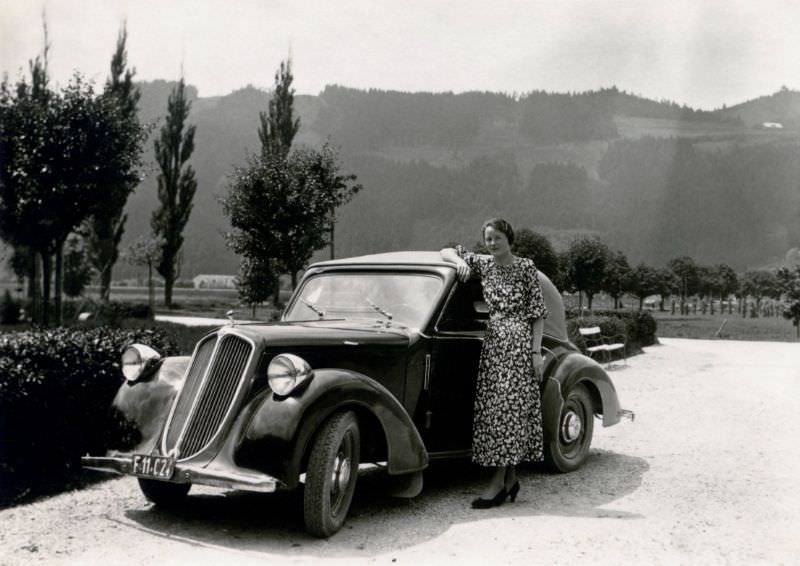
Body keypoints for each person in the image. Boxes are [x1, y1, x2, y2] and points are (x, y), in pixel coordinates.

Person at [440, 218, 548, 509]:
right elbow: (446, 251)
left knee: (508, 411)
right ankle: (509, 480)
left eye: (498, 237)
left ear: (509, 238)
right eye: (488, 238)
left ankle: (496, 484)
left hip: (519, 343)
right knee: (496, 411)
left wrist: (535, 353)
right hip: (495, 342)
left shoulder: (526, 266)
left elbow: (537, 313)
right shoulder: (484, 264)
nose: (493, 243)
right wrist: (459, 263)